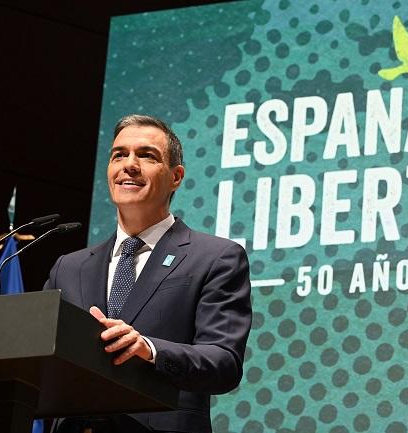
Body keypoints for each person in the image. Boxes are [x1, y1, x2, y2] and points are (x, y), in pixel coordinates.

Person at [44, 114, 252, 433]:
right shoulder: (69, 268)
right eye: (119, 155)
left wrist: (149, 348)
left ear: (175, 176)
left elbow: (223, 362)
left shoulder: (215, 257)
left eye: (146, 155)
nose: (129, 164)